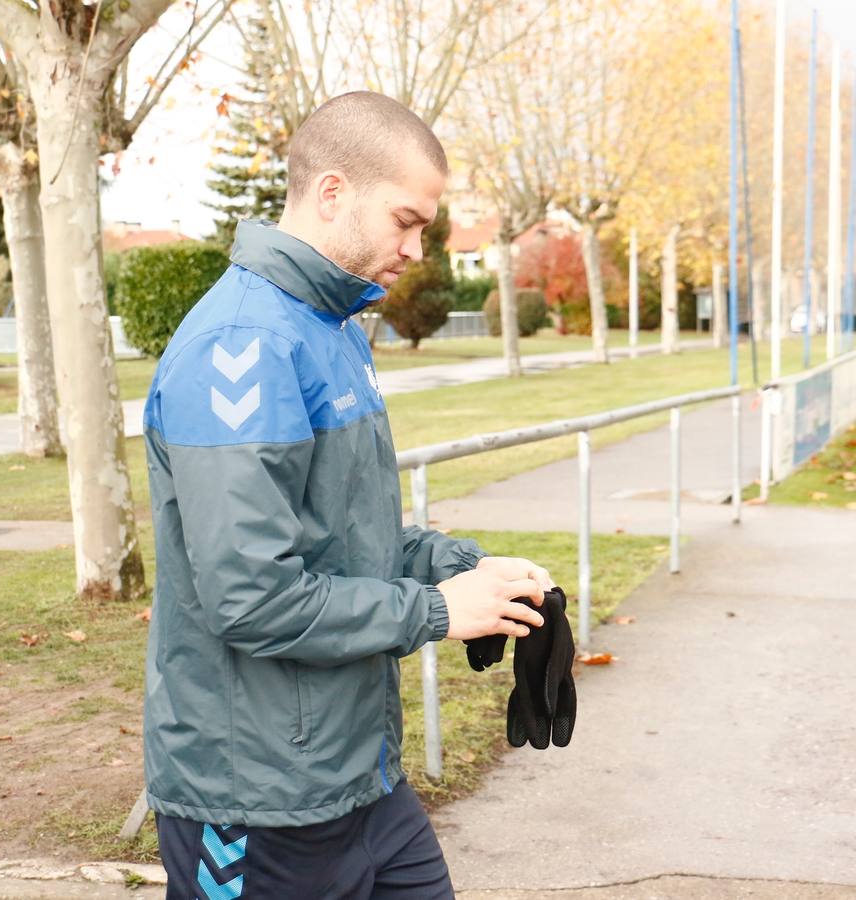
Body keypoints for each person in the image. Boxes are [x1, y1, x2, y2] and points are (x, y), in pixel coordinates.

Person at [141, 90, 557, 900]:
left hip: (357, 778)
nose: (418, 248)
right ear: (333, 193)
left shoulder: (331, 331)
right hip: (256, 800)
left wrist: (471, 572)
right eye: (406, 220)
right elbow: (253, 598)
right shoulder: (244, 346)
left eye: (427, 228)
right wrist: (438, 613)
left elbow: (351, 544)